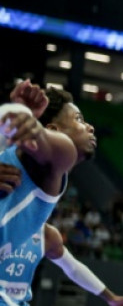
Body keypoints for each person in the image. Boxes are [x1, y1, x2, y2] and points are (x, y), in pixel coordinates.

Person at [0, 82, 98, 305]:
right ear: (53, 129)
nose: (90, 126)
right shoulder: (63, 150)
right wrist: (20, 115)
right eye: (79, 119)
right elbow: (21, 127)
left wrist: (21, 114)